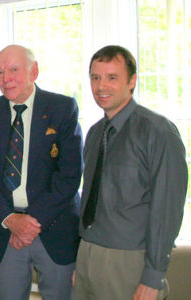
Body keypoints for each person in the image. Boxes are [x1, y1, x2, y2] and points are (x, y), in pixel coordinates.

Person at [73, 45, 188, 300]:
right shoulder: (94, 134)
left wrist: (153, 276)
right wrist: (82, 260)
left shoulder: (158, 132)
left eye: (112, 77)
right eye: (95, 77)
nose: (101, 86)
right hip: (87, 257)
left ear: (132, 81)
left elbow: (166, 210)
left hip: (129, 262)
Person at [0, 45, 83, 300]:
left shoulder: (62, 108)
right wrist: (11, 220)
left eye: (13, 70)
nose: (5, 79)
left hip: (53, 228)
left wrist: (30, 223)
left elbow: (69, 176)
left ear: (34, 71)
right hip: (5, 230)